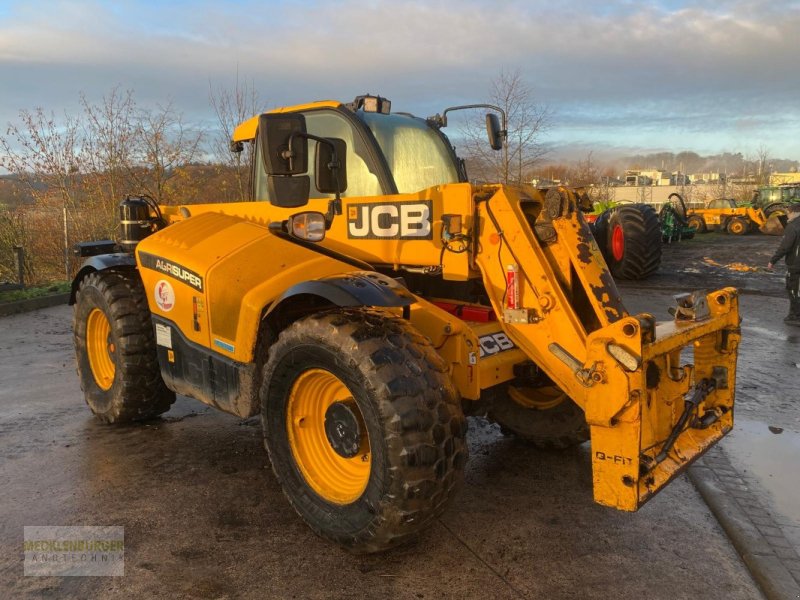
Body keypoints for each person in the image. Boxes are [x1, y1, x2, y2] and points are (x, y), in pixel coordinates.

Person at [767, 204, 800, 326]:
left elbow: (785, 247)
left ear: (793, 213)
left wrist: (773, 260)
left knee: (793, 290)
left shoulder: (792, 226)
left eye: (788, 212)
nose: (787, 215)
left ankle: (795, 316)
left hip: (796, 265)